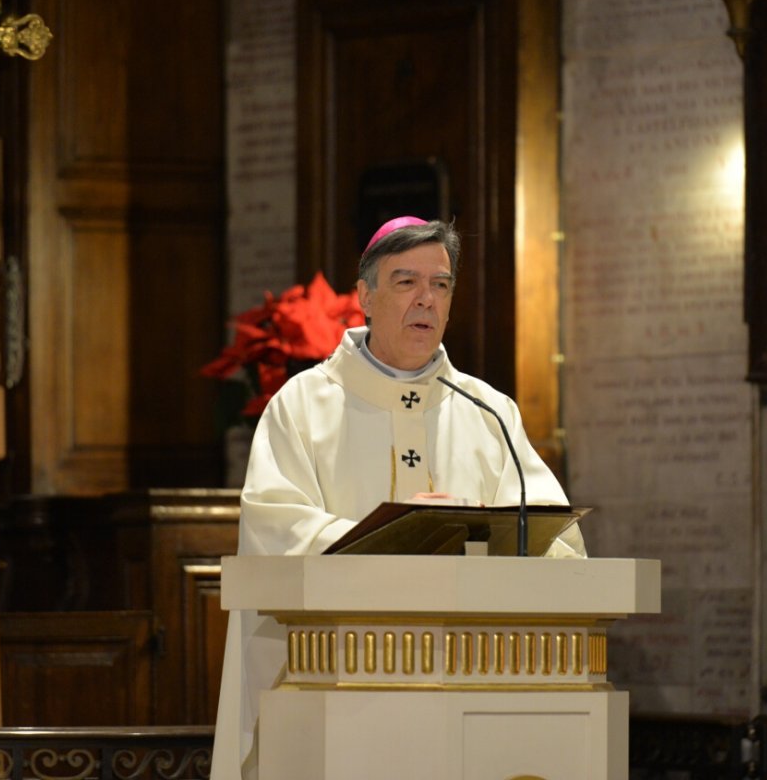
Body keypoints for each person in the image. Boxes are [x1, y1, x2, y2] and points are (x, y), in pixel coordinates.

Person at [210, 216, 586, 780]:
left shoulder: (489, 412)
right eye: (405, 282)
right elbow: (274, 530)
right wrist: (402, 533)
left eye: (440, 284)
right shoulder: (303, 406)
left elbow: (554, 541)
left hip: (469, 683)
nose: (425, 300)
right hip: (333, 682)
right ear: (364, 296)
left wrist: (472, 534)